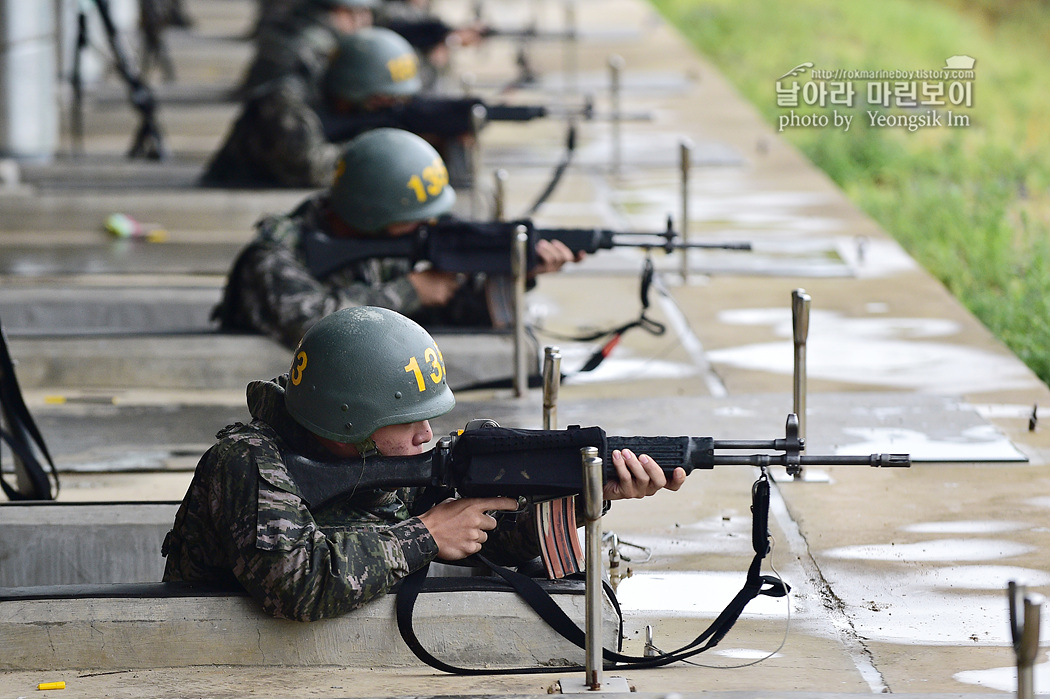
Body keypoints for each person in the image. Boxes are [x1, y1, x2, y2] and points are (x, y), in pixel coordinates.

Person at [161, 306, 686, 621]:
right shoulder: (248, 463)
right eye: (408, 420)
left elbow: (488, 535)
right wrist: (425, 536)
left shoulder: (381, 459)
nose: (426, 433)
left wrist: (588, 494)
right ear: (350, 421)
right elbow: (297, 585)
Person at [211, 127, 579, 347]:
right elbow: (310, 327)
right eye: (414, 218)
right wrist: (410, 291)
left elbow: (449, 315)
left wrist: (518, 273)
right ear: (373, 214)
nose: (428, 225)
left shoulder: (382, 241)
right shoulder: (277, 255)